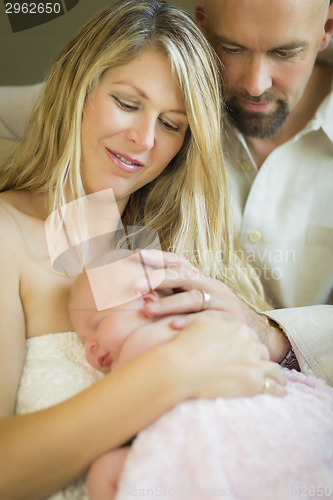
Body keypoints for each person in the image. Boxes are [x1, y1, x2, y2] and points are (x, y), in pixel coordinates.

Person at [0, 1, 286, 499]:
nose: (144, 139)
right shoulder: (7, 236)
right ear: (75, 88)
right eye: (128, 103)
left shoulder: (181, 254)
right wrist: (173, 371)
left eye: (173, 124)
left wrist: (262, 339)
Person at [137, 0, 333, 386]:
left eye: (284, 52)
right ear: (202, 20)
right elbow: (58, 106)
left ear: (327, 27)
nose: (255, 83)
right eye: (232, 49)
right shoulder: (160, 103)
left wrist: (274, 335)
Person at [69, 254, 333, 500]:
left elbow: (118, 417)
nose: (89, 345)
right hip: (272, 440)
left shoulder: (145, 341)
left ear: (148, 301)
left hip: (222, 435)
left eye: (98, 324)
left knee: (102, 473)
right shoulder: (210, 325)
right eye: (82, 339)